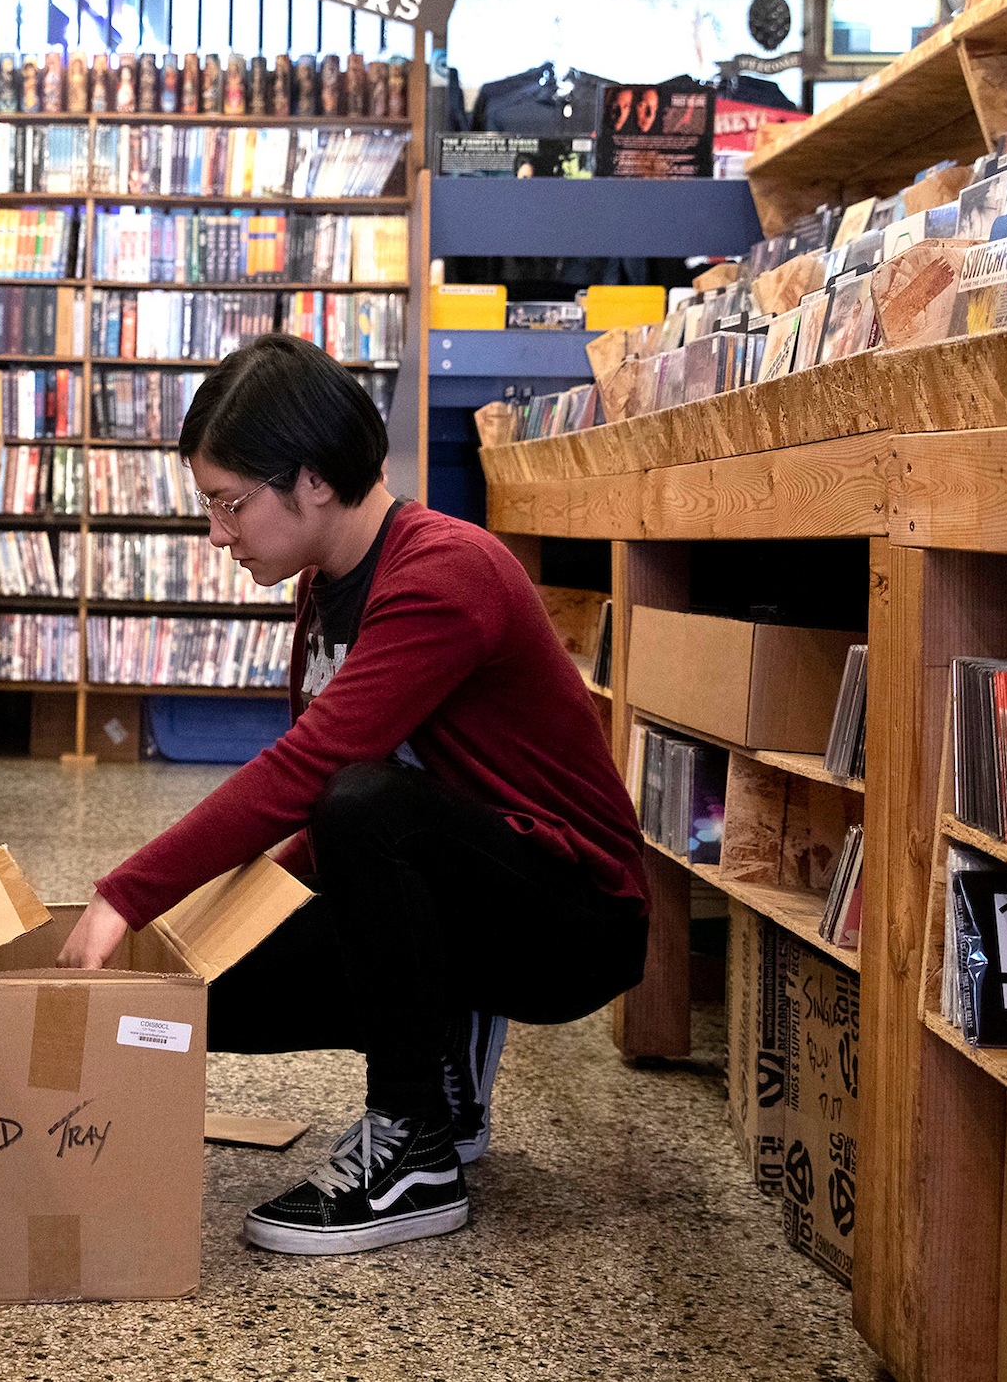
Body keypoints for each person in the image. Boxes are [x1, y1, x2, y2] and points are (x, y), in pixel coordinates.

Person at [55, 334, 649, 1256]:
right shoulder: (326, 583)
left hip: (575, 917)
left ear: (312, 482)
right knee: (212, 987)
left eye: (230, 504)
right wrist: (211, 925)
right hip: (458, 877)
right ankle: (444, 1052)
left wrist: (126, 893)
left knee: (361, 802)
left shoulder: (446, 573)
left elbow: (315, 776)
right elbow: (315, 807)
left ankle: (414, 1146)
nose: (217, 534)